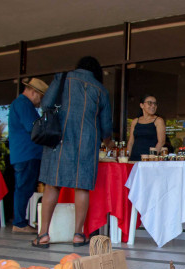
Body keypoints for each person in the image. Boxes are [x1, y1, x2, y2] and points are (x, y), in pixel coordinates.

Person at [32, 56, 113, 248]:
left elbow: (46, 105)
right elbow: (106, 126)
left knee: (52, 185)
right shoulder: (101, 89)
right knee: (81, 186)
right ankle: (78, 234)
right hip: (87, 142)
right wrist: (107, 142)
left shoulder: (62, 79)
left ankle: (43, 234)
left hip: (59, 139)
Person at [8, 77, 49, 234]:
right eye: (40, 97)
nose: (40, 101)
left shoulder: (20, 104)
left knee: (24, 187)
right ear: (33, 93)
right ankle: (19, 222)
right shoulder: (23, 104)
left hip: (25, 153)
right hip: (27, 153)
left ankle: (20, 221)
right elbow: (33, 128)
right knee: (23, 188)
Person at [127, 94, 166, 161]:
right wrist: (127, 157)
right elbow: (130, 142)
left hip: (149, 159)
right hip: (134, 158)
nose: (153, 106)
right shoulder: (135, 121)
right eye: (149, 103)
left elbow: (161, 142)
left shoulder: (158, 120)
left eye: (155, 104)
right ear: (142, 105)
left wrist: (152, 158)